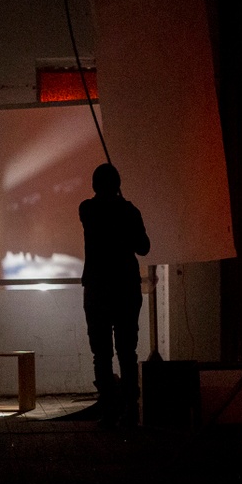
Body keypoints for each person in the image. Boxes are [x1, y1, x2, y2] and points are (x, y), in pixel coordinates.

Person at [79, 162, 150, 427]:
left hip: (97, 289)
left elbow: (98, 214)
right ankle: (131, 409)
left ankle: (108, 409)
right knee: (126, 351)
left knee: (102, 353)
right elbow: (143, 247)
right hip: (125, 288)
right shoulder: (129, 211)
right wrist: (124, 208)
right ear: (117, 184)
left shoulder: (88, 209)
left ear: (95, 185)